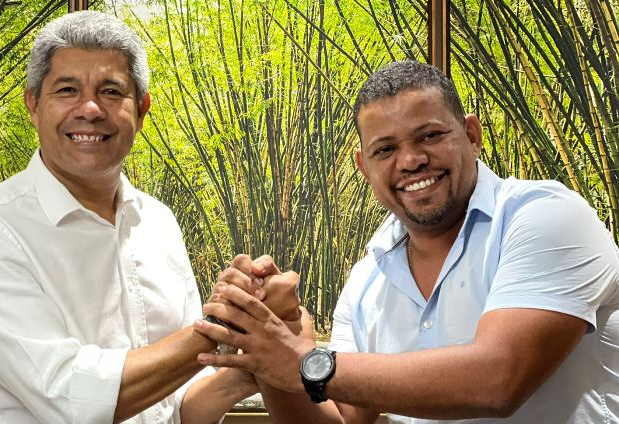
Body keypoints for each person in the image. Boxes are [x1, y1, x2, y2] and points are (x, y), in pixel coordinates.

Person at [193, 60, 619, 423]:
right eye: (385, 149)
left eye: (430, 136)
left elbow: (500, 378)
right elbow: (340, 416)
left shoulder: (546, 217)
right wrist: (269, 337)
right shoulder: (367, 280)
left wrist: (305, 362)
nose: (412, 161)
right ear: (364, 166)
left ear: (472, 135)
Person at [0, 11, 299, 424]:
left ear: (141, 111)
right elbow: (72, 400)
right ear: (33, 105)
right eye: (67, 90)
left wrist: (255, 349)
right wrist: (222, 323)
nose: (90, 109)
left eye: (111, 92)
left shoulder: (158, 222)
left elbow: (179, 409)